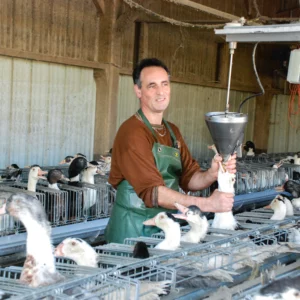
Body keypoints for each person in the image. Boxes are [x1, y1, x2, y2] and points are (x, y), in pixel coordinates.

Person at [105, 58, 236, 243]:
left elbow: (189, 178)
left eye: (164, 84)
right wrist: (207, 204)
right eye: (152, 85)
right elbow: (155, 193)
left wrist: (212, 174)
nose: (160, 92)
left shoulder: (172, 131)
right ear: (138, 91)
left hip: (164, 227)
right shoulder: (132, 132)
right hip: (132, 231)